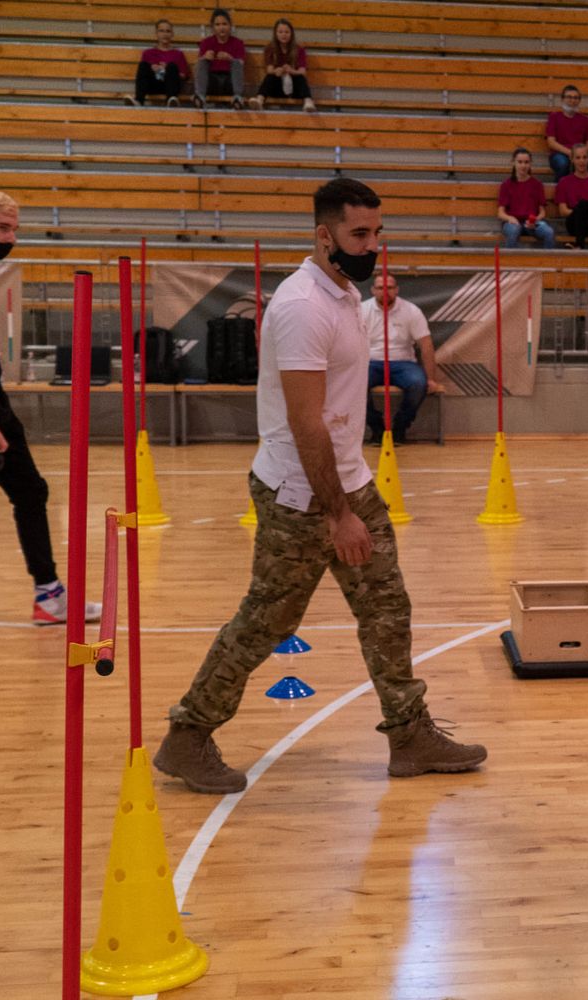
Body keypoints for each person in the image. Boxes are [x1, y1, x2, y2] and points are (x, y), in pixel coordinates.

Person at [153, 179, 486, 794]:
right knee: (267, 620)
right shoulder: (303, 306)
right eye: (359, 234)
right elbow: (306, 422)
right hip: (302, 493)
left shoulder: (344, 295)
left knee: (387, 608)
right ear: (323, 235)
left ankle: (409, 733)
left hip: (345, 479)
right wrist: (339, 514)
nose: (372, 245)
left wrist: (353, 495)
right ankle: (188, 734)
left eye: (377, 233)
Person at [0, 188, 102, 626]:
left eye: (14, 229)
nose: (10, 238)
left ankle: (49, 596)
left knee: (31, 491)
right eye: (2, 228)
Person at [363, 273, 443, 445]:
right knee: (356, 384)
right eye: (380, 288)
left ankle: (399, 428)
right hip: (371, 362)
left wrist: (431, 379)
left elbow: (426, 345)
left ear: (397, 290)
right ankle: (377, 429)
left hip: (403, 363)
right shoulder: (361, 310)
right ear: (373, 290)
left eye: (390, 287)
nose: (385, 291)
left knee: (418, 384)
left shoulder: (412, 311)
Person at [249, 18, 315, 112]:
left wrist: (292, 71)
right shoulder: (270, 48)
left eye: (287, 32)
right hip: (277, 87)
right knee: (270, 77)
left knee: (300, 78)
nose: (284, 35)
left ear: (291, 34)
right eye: (280, 32)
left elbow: (303, 71)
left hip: (294, 88)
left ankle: (308, 102)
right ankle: (259, 100)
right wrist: (277, 71)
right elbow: (269, 69)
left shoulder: (299, 49)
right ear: (276, 34)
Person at [497, 148, 556, 249]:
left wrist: (535, 220)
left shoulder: (537, 185)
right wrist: (510, 218)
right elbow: (500, 213)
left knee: (549, 232)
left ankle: (547, 259)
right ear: (513, 162)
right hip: (512, 222)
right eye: (520, 162)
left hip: (531, 222)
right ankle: (511, 259)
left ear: (530, 163)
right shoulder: (506, 185)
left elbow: (542, 212)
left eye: (526, 162)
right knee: (513, 231)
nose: (523, 166)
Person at [193, 8, 246, 110]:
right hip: (212, 80)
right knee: (202, 61)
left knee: (236, 62)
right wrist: (205, 57)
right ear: (212, 27)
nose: (221, 28)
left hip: (229, 80)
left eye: (224, 24)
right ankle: (200, 96)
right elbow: (199, 67)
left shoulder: (238, 43)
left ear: (230, 26)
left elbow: (240, 64)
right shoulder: (206, 42)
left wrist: (230, 59)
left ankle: (237, 98)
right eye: (217, 24)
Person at [130, 20, 189, 107]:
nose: (165, 34)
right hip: (154, 84)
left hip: (170, 85)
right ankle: (139, 100)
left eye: (168, 31)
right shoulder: (148, 53)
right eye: (161, 31)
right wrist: (153, 69)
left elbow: (183, 75)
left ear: (172, 34)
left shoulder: (178, 54)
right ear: (156, 34)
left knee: (172, 66)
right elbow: (144, 74)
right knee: (143, 65)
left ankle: (171, 101)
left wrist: (166, 70)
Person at [545, 84, 588, 182]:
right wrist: (571, 153)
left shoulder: (585, 120)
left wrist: (579, 154)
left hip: (580, 154)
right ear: (562, 99)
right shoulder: (554, 117)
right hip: (559, 154)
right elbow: (551, 142)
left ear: (579, 100)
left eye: (576, 98)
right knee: (563, 164)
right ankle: (559, 189)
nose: (572, 100)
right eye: (569, 97)